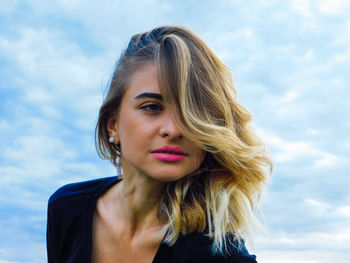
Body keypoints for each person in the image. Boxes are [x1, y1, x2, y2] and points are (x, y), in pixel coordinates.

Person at [46, 25, 272, 263]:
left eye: (191, 113)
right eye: (152, 107)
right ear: (113, 124)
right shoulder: (66, 208)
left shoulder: (221, 253)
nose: (174, 130)